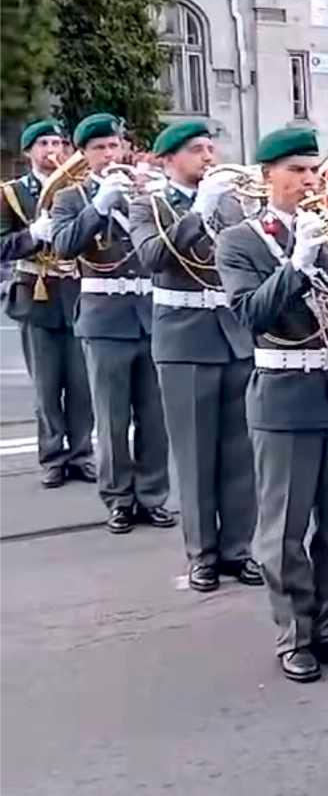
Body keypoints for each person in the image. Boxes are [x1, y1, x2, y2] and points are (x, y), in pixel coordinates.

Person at [216, 127, 328, 683]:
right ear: (268, 178)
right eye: (296, 172)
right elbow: (250, 315)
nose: (310, 181)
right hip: (284, 396)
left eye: (315, 172)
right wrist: (299, 262)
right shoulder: (240, 240)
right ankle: (296, 633)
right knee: (284, 529)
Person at [132, 120, 260, 592]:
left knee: (239, 454)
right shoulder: (148, 203)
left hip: (232, 335)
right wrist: (198, 213)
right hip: (184, 341)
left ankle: (238, 549)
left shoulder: (229, 203)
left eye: (210, 148)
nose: (208, 157)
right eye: (195, 150)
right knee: (195, 454)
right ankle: (202, 554)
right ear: (168, 160)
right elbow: (152, 258)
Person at [47, 113, 173, 534]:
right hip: (104, 320)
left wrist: (159, 197)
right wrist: (98, 207)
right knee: (113, 417)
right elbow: (63, 247)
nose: (109, 155)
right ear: (83, 155)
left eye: (114, 146)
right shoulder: (72, 197)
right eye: (99, 148)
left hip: (151, 315)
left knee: (154, 417)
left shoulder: (143, 193)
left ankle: (153, 494)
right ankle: (119, 497)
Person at [1, 119, 95, 489]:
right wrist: (32, 236)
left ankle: (82, 453)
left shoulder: (80, 189)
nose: (52, 150)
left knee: (81, 383)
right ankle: (53, 455)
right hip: (35, 295)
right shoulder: (11, 193)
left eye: (58, 142)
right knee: (47, 384)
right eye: (43, 143)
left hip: (76, 292)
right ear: (28, 152)